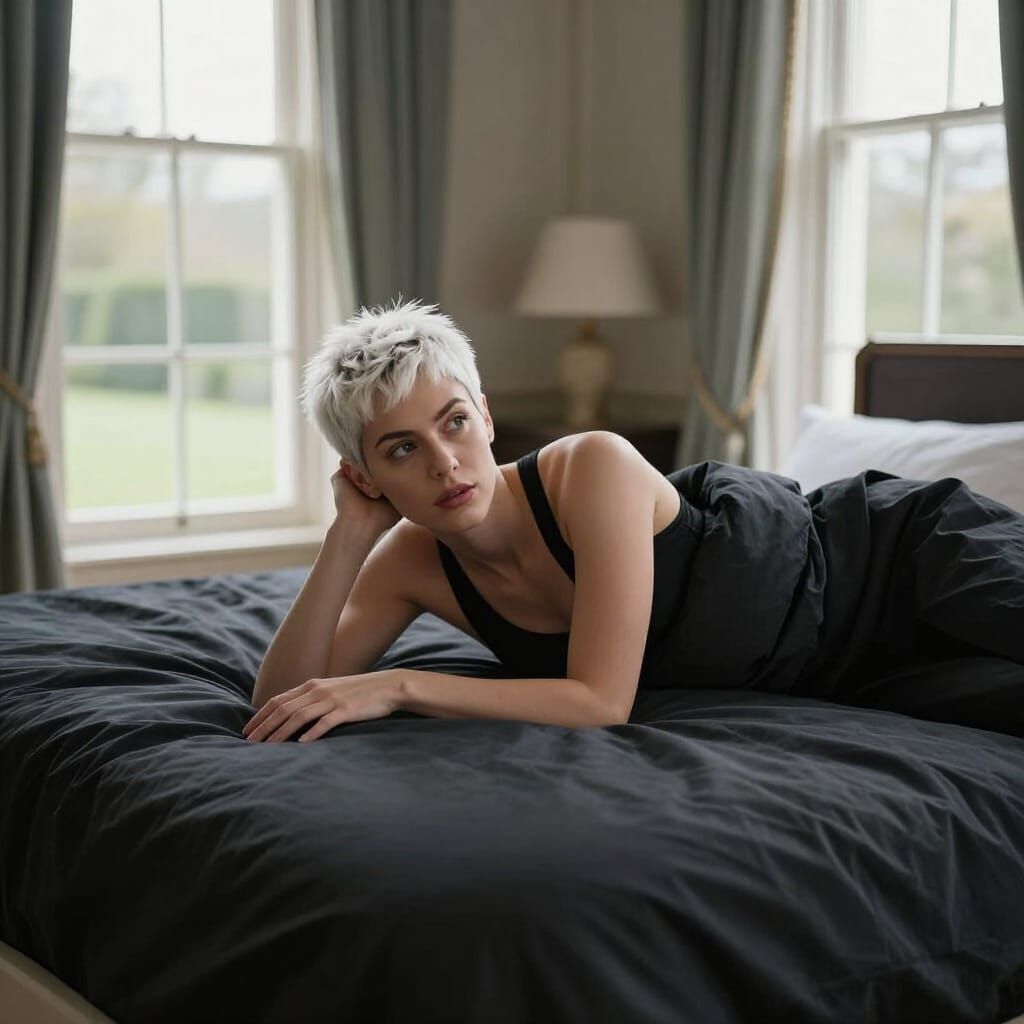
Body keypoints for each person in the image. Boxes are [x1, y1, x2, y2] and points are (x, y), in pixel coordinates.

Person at [244, 298, 1024, 744]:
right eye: (402, 449)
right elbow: (278, 703)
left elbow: (599, 703)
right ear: (365, 474)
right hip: (849, 677)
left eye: (454, 423)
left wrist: (399, 685)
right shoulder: (410, 561)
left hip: (897, 560)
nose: (445, 464)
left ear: (485, 416)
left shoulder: (592, 467)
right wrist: (350, 534)